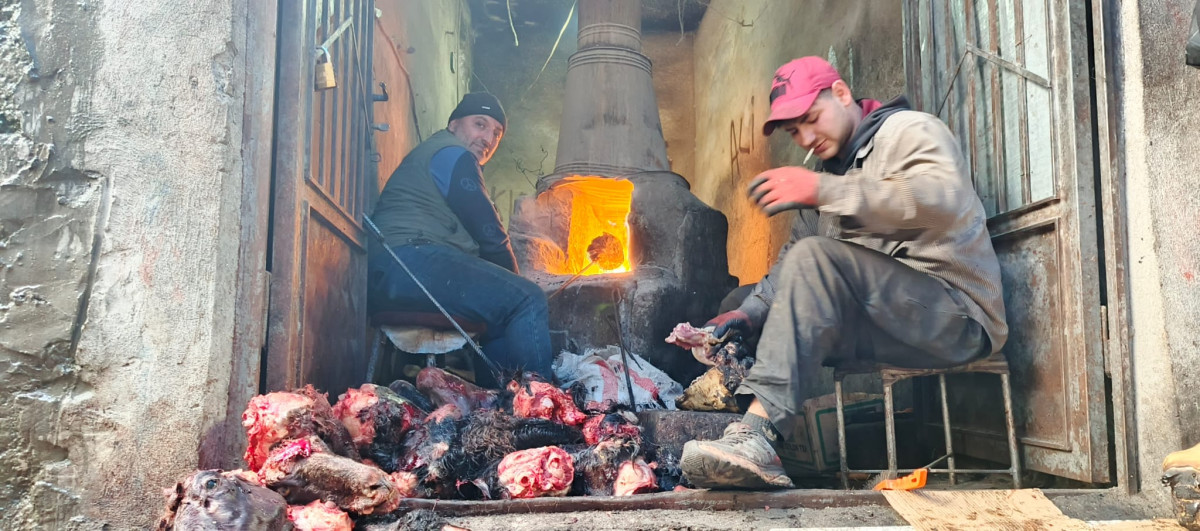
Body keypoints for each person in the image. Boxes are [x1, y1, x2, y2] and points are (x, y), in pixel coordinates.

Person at [680, 57, 1009, 489]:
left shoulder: (910, 131)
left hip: (956, 318)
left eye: (812, 120)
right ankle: (754, 448)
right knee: (741, 307)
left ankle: (756, 436)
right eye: (795, 131)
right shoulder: (829, 171)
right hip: (891, 325)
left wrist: (823, 191)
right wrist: (745, 314)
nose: (806, 138)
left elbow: (940, 200)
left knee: (816, 260)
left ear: (840, 93)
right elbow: (793, 261)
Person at [367, 92, 554, 386]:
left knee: (500, 315)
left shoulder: (440, 152)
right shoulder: (453, 154)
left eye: (496, 133)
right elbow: (489, 232)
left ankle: (499, 409)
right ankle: (545, 410)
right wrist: (515, 286)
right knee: (527, 299)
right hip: (409, 262)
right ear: (454, 124)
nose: (488, 138)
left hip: (394, 271)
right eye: (480, 124)